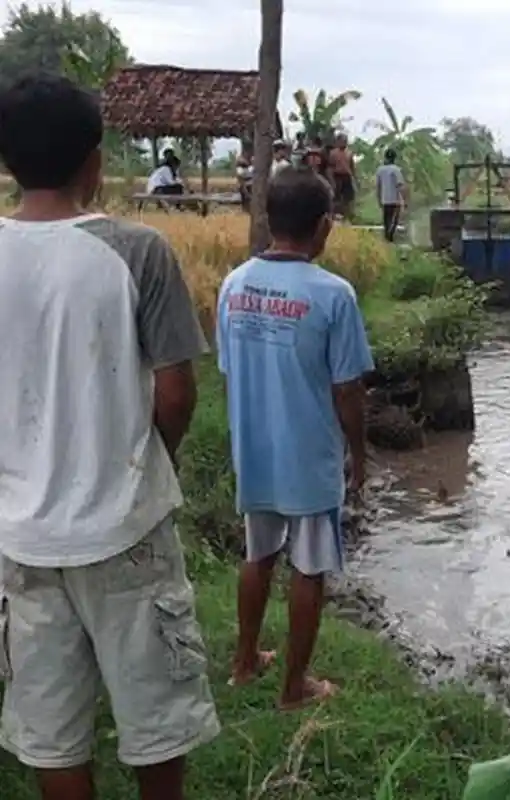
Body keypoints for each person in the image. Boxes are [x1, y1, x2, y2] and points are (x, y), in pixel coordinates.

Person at [0, 73, 218, 799]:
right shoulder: (137, 250)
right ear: (94, 161)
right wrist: (150, 461)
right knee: (158, 722)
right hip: (126, 529)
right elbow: (176, 393)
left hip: (21, 539)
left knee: (51, 731)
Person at [217, 166, 374, 711]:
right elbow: (348, 388)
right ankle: (293, 688)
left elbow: (229, 370)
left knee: (258, 554)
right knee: (309, 567)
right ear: (324, 225)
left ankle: (243, 664)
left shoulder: (234, 285)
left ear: (269, 218)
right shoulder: (334, 295)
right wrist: (358, 455)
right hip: (309, 456)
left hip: (255, 451)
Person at [375, 148, 407, 243]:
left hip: (385, 200)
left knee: (386, 221)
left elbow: (378, 186)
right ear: (394, 158)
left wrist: (379, 199)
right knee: (394, 222)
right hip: (395, 200)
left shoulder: (380, 170)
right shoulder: (396, 170)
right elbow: (400, 186)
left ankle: (387, 240)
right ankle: (389, 239)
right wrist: (404, 200)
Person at [328, 132, 356, 219]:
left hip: (347, 176)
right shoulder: (333, 153)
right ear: (338, 141)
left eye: (345, 141)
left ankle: (346, 215)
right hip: (337, 176)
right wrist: (331, 179)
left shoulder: (349, 153)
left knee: (348, 197)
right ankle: (335, 215)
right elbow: (330, 167)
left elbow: (352, 166)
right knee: (336, 197)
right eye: (342, 141)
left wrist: (354, 178)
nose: (344, 142)